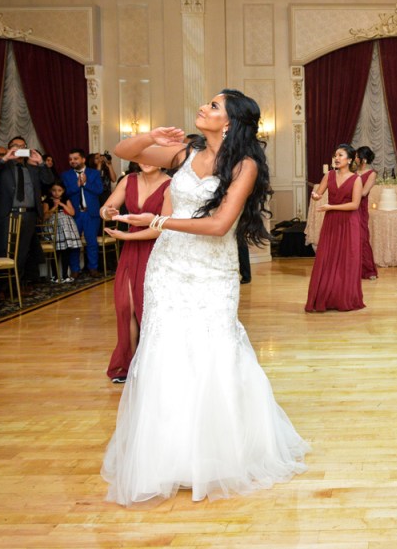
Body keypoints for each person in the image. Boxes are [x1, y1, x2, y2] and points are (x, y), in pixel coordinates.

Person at [102, 89, 308, 506]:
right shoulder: (184, 153)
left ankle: (218, 454)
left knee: (212, 350)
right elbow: (122, 151)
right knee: (165, 350)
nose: (203, 107)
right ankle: (168, 457)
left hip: (211, 272)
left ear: (229, 122)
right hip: (167, 269)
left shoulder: (244, 165)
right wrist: (150, 138)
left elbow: (218, 226)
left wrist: (159, 220)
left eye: (214, 106)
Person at [99, 163, 171, 384]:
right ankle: (129, 365)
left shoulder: (170, 185)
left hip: (156, 251)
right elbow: (104, 210)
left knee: (148, 308)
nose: (146, 161)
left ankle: (152, 365)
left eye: (151, 156)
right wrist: (107, 212)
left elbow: (162, 227)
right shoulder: (128, 180)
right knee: (125, 307)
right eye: (141, 157)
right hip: (131, 252)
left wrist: (126, 237)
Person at [0, 136, 53, 289]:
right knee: (4, 250)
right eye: (16, 146)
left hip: (29, 214)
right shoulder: (3, 166)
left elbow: (49, 181)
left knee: (23, 252)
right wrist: (5, 158)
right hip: (7, 214)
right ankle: (3, 287)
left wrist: (41, 162)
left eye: (23, 146)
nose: (19, 148)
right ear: (10, 148)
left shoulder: (32, 168)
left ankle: (17, 285)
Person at [305, 144, 365, 312]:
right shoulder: (329, 175)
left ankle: (343, 299)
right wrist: (315, 196)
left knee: (346, 261)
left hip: (349, 223)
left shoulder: (356, 179)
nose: (336, 158)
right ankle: (326, 298)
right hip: (331, 222)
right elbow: (318, 195)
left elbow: (355, 205)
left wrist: (331, 207)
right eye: (335, 155)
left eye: (340, 155)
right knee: (327, 260)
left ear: (349, 160)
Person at [62, 149, 103, 278]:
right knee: (74, 244)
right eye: (70, 159)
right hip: (75, 214)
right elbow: (64, 193)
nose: (73, 161)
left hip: (91, 213)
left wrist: (85, 183)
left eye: (76, 158)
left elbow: (99, 190)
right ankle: (75, 269)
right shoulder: (66, 175)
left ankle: (93, 268)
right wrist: (77, 185)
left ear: (83, 159)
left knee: (92, 242)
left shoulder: (94, 173)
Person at [42, 182, 81, 283]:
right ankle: (55, 276)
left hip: (66, 228)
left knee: (66, 251)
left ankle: (65, 275)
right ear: (50, 191)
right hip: (54, 227)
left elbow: (72, 212)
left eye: (59, 190)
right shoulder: (47, 201)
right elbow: (45, 216)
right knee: (55, 252)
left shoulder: (66, 199)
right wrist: (54, 207)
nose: (56, 193)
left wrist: (62, 204)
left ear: (63, 191)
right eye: (54, 190)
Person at [355, 146, 379, 280]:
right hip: (350, 207)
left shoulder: (371, 173)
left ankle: (369, 270)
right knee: (352, 238)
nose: (355, 159)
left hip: (360, 209)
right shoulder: (354, 172)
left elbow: (364, 192)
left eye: (357, 156)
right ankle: (354, 270)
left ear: (363, 159)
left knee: (362, 238)